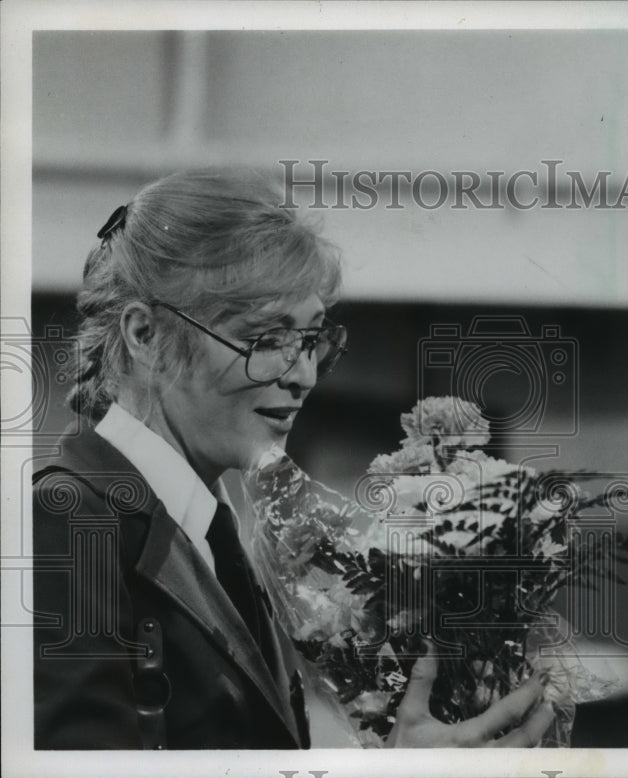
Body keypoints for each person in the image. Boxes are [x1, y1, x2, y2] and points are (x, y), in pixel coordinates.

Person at [32, 168, 554, 749]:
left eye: (310, 341)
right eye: (265, 339)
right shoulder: (63, 522)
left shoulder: (212, 535)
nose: (303, 375)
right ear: (145, 335)